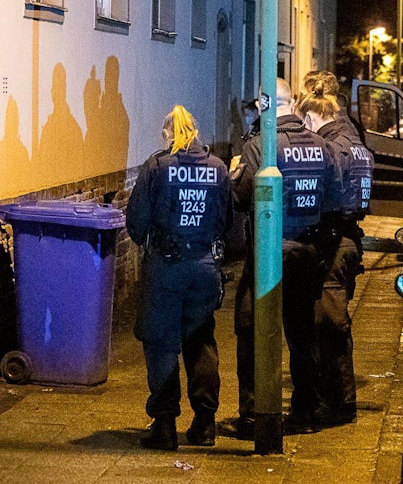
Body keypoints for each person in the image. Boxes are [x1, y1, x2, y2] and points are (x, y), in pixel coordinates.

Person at [231, 79, 342, 438]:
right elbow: (335, 199)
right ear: (292, 103)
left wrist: (235, 179)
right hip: (308, 252)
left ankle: (253, 414)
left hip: (269, 252)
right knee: (302, 332)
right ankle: (305, 411)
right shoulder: (322, 147)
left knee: (250, 328)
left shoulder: (259, 147)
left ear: (264, 106)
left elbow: (241, 199)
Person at [126, 105, 231, 450]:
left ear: (168, 133)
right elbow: (227, 222)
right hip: (204, 265)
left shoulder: (156, 167)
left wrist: (149, 244)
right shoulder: (217, 169)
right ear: (196, 132)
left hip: (165, 267)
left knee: (160, 343)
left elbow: (137, 221)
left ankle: (166, 424)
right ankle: (205, 424)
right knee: (200, 341)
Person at [298, 72, 374, 424]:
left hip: (332, 241)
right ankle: (335, 401)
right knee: (331, 325)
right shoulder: (353, 137)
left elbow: (327, 195)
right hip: (346, 239)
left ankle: (339, 405)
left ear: (314, 114)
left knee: (328, 326)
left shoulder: (334, 145)